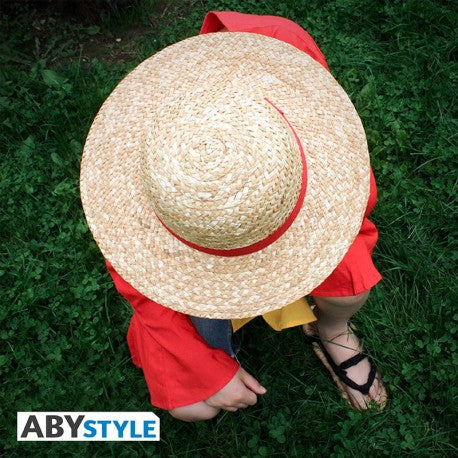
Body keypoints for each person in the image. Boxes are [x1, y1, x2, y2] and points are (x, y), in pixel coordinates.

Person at [80, 10, 388, 423]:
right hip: (194, 261)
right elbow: (144, 297)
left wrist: (299, 236)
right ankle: (221, 340)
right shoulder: (145, 185)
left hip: (291, 229)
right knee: (191, 407)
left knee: (347, 289)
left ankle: (330, 328)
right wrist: (210, 371)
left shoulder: (281, 51)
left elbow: (354, 199)